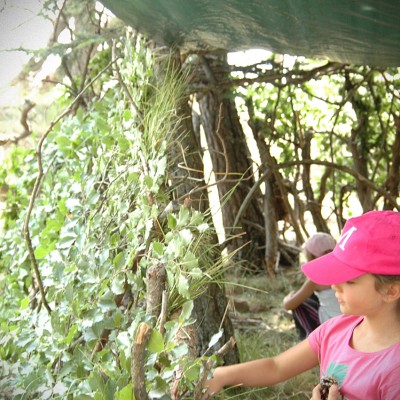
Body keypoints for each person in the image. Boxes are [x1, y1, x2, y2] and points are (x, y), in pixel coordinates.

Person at [204, 210, 400, 399]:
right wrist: (221, 375)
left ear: (391, 291)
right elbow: (277, 366)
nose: (334, 285)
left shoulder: (394, 370)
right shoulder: (335, 330)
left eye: (349, 281)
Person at [283, 232, 341, 339]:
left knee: (299, 305)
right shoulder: (343, 269)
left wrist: (288, 297)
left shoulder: (315, 278)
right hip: (351, 317)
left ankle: (309, 339)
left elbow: (289, 305)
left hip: (332, 324)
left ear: (311, 256)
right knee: (310, 296)